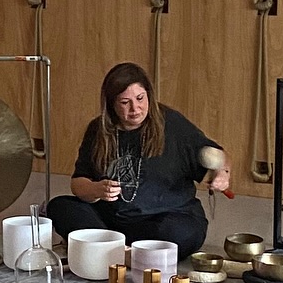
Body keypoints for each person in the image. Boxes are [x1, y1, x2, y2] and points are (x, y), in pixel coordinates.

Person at [46, 61, 231, 262]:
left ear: (148, 95)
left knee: (178, 232)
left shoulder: (172, 124)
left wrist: (223, 174)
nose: (135, 108)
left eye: (140, 98)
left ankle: (108, 251)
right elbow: (78, 184)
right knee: (59, 206)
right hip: (113, 224)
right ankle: (122, 250)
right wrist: (97, 189)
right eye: (125, 102)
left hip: (164, 220)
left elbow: (220, 157)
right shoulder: (98, 130)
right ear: (112, 104)